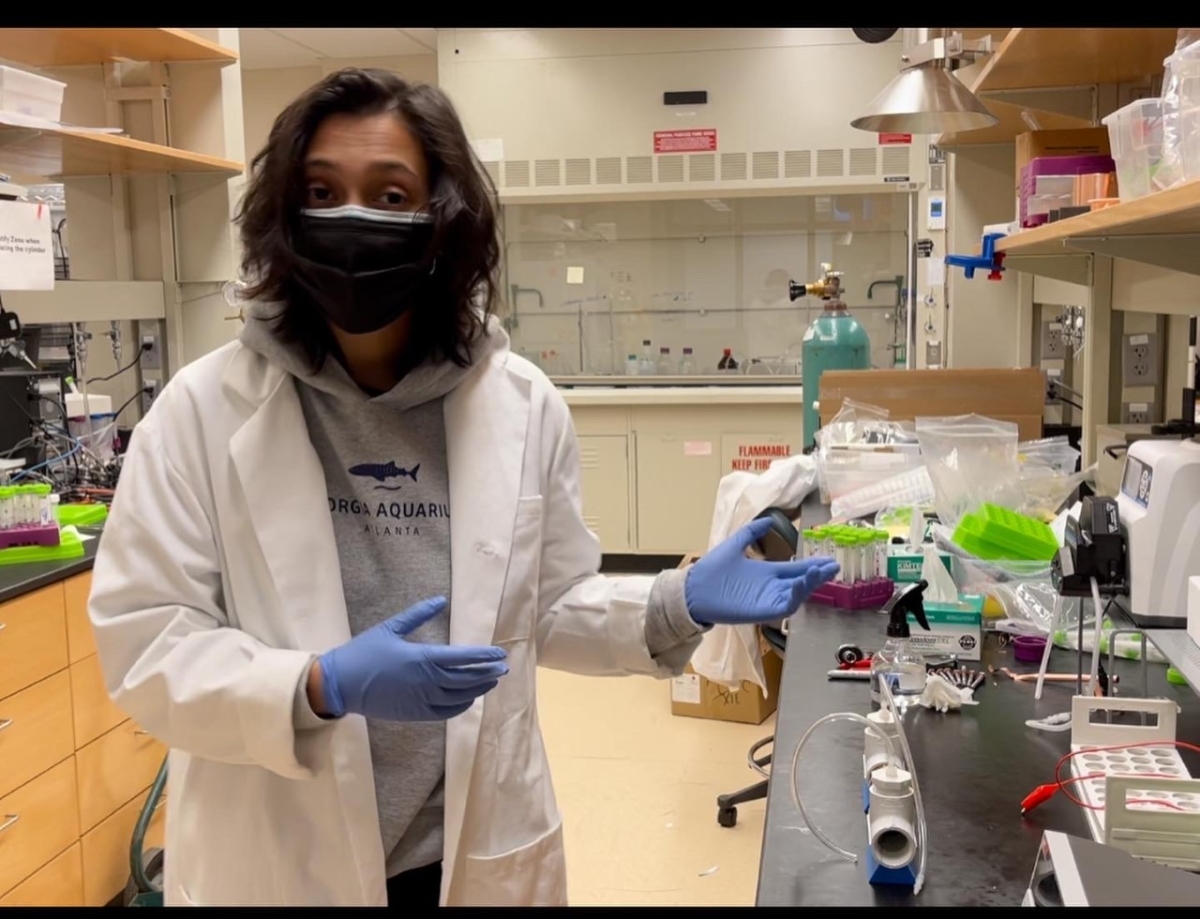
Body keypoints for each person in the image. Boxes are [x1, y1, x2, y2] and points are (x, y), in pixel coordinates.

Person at [87, 68, 839, 908]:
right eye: (322, 191)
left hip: (470, 850)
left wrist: (676, 602)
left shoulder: (520, 407)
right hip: (279, 858)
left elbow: (541, 606)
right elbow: (146, 641)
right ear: (284, 220)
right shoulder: (199, 413)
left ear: (441, 222)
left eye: (390, 192)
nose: (352, 219)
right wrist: (314, 683)